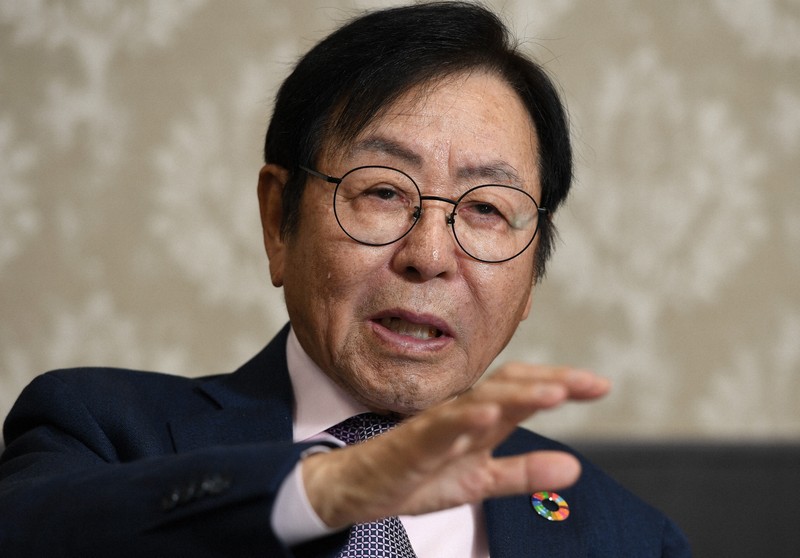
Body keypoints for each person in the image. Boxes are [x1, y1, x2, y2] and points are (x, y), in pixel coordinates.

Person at [0, 2, 691, 556]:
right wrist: (319, 490)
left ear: (533, 269)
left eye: (485, 209)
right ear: (278, 220)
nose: (429, 254)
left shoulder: (628, 536)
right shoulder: (101, 431)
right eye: (383, 191)